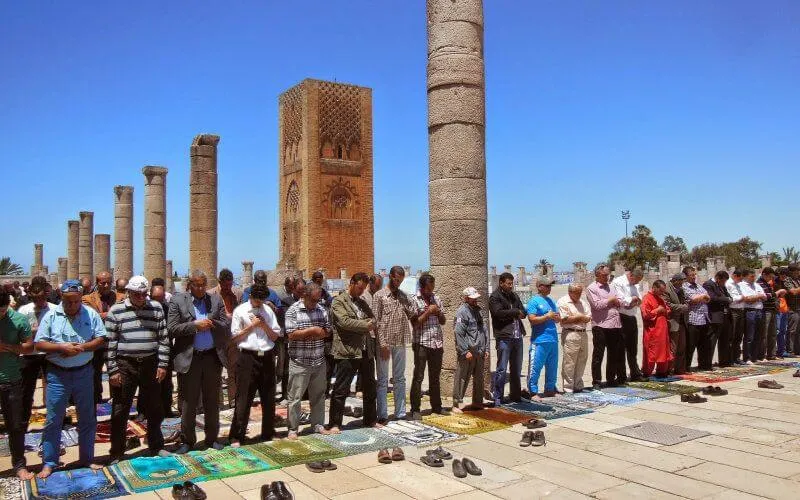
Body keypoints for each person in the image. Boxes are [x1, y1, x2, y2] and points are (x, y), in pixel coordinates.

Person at [34, 280, 107, 478]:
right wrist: (61, 348)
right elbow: (39, 344)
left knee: (87, 417)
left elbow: (101, 338)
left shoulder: (90, 314)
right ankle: (49, 461)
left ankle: (87, 458)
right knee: (53, 419)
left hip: (84, 372)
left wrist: (82, 348)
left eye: (76, 301)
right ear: (61, 298)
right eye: (68, 302)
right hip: (58, 374)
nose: (72, 305)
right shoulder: (51, 315)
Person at [104, 276, 170, 463]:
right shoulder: (116, 311)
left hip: (150, 363)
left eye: (143, 294)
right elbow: (110, 343)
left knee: (155, 407)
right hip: (125, 364)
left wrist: (163, 364)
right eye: (136, 294)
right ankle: (117, 451)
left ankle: (156, 445)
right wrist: (113, 370)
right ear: (128, 293)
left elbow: (163, 338)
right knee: (120, 408)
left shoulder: (156, 308)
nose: (141, 298)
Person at [167, 271, 229, 454]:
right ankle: (187, 440)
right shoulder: (178, 301)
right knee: (189, 401)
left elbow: (225, 325)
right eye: (197, 285)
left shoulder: (215, 300)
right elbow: (172, 328)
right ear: (190, 284)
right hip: (190, 358)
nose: (201, 288)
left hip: (211, 357)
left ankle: (212, 438)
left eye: (203, 285)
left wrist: (212, 323)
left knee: (212, 400)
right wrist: (194, 326)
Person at [228, 283, 281, 446]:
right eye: (257, 299)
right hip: (248, 357)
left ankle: (268, 432)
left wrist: (263, 325)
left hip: (266, 356)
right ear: (250, 296)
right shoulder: (240, 311)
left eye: (262, 300)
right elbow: (234, 338)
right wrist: (251, 327)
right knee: (244, 397)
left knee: (268, 396)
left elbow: (275, 336)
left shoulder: (268, 311)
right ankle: (237, 435)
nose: (259, 303)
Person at [328, 273, 378, 432]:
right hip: (348, 350)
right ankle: (335, 423)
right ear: (352, 283)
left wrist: (368, 323)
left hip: (365, 350)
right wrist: (364, 325)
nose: (361, 291)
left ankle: (370, 420)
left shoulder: (362, 302)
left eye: (363, 289)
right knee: (341, 389)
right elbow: (344, 322)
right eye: (359, 288)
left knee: (370, 387)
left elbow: (373, 319)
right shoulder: (338, 301)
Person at [284, 283, 333, 439]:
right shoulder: (293, 311)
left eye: (318, 300)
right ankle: (293, 428)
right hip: (300, 361)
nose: (315, 303)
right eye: (313, 300)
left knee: (318, 395)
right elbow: (291, 334)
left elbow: (327, 331)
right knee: (295, 397)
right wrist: (312, 330)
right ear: (304, 296)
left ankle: (318, 424)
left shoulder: (321, 310)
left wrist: (312, 333)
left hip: (318, 360)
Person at [374, 266, 417, 422]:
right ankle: (382, 414)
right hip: (385, 343)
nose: (398, 283)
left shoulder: (403, 296)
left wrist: (408, 302)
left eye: (401, 280)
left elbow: (413, 313)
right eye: (396, 279)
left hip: (400, 341)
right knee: (382, 380)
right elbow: (376, 321)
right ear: (390, 276)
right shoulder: (379, 296)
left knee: (399, 378)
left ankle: (400, 413)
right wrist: (382, 344)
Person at [0, 291, 35, 479]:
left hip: (11, 379)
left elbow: (29, 347)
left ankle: (19, 465)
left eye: (2, 311)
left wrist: (6, 347)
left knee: (15, 425)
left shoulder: (19, 320)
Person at [17, 280, 56, 430]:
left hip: (48, 353)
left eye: (41, 298)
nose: (39, 301)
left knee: (53, 388)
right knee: (26, 390)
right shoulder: (24, 310)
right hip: (29, 354)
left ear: (46, 295)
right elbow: (20, 332)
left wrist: (35, 332)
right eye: (35, 299)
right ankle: (22, 423)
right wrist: (35, 332)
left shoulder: (54, 309)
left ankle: (54, 421)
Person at [409, 274, 447, 419]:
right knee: (418, 377)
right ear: (422, 287)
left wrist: (438, 312)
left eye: (432, 288)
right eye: (428, 289)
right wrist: (428, 312)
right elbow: (415, 323)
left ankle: (437, 407)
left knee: (435, 377)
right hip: (421, 343)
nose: (431, 291)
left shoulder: (436, 299)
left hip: (436, 343)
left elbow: (443, 321)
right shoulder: (414, 300)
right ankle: (415, 409)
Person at [488, 272, 527, 405]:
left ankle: (515, 395)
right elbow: (498, 313)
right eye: (508, 284)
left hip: (517, 336)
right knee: (502, 369)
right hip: (504, 337)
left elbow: (524, 312)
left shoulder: (514, 296)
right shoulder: (495, 297)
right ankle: (498, 397)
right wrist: (515, 312)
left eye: (512, 283)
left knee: (516, 368)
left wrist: (518, 312)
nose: (511, 286)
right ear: (501, 283)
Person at [208, 268, 243, 407]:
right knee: (216, 371)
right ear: (220, 282)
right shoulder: (210, 294)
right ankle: (218, 402)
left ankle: (233, 399)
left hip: (233, 338)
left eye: (230, 284)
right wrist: (224, 317)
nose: (228, 288)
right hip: (216, 338)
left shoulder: (237, 294)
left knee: (234, 370)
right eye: (225, 285)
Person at [586, 264, 625, 388]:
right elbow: (596, 305)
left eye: (608, 275)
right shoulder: (591, 288)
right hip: (600, 325)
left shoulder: (612, 286)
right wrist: (610, 301)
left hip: (615, 324)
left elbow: (620, 301)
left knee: (613, 353)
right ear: (597, 275)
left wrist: (615, 301)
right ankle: (596, 381)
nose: (607, 277)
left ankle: (611, 379)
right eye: (604, 275)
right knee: (599, 354)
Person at [82, 271, 116, 404]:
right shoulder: (87, 298)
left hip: (113, 342)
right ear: (97, 283)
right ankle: (96, 398)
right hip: (95, 342)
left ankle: (116, 398)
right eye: (103, 283)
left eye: (108, 282)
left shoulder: (119, 297)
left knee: (115, 372)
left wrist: (102, 315)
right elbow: (92, 316)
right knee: (95, 373)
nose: (106, 285)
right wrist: (111, 314)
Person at [453, 287, 488, 412]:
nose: (475, 301)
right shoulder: (462, 312)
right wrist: (464, 351)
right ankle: (456, 403)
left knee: (479, 378)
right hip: (468, 351)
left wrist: (486, 348)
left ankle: (477, 402)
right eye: (472, 299)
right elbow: (458, 333)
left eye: (476, 298)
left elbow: (484, 331)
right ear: (466, 298)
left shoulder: (478, 311)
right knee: (462, 377)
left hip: (479, 350)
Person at [526, 277, 560, 399]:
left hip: (553, 338)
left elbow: (557, 317)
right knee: (536, 367)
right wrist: (547, 316)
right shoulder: (534, 301)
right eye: (547, 286)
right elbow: (532, 319)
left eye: (550, 286)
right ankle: (533, 391)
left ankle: (550, 389)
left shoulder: (551, 301)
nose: (549, 288)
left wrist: (557, 318)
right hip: (539, 340)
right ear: (540, 287)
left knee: (552, 366)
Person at [556, 283, 591, 393]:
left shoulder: (582, 302)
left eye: (580, 292)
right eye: (577, 293)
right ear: (570, 292)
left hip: (583, 333)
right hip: (570, 333)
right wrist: (580, 317)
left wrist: (577, 317)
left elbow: (588, 318)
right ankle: (568, 388)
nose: (579, 295)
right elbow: (564, 319)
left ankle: (578, 385)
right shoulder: (563, 301)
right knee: (569, 362)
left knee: (582, 359)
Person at [611, 268, 645, 382]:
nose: (637, 283)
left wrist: (634, 301)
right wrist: (632, 299)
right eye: (636, 280)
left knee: (633, 348)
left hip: (632, 317)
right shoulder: (618, 282)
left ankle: (635, 373)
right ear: (631, 275)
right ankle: (621, 376)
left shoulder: (635, 285)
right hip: (621, 317)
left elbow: (639, 300)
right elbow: (622, 301)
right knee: (620, 348)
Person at [275, 277, 302, 402]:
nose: (301, 294)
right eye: (299, 291)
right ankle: (285, 394)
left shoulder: (308, 302)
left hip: (303, 341)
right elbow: (285, 320)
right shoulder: (286, 302)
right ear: (293, 289)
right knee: (287, 368)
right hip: (289, 340)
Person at [150, 285, 175, 417]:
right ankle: (145, 410)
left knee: (167, 382)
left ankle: (167, 409)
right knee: (148, 383)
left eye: (161, 299)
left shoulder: (168, 309)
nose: (158, 302)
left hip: (166, 348)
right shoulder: (146, 308)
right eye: (156, 299)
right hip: (149, 350)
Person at [640, 280, 673, 378]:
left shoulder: (660, 298)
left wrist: (664, 310)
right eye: (660, 290)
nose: (662, 293)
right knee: (651, 352)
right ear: (654, 287)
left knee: (663, 351)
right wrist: (657, 310)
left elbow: (667, 309)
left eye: (663, 291)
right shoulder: (646, 298)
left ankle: (662, 371)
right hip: (652, 330)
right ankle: (647, 372)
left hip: (662, 330)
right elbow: (646, 315)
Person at [681, 266, 711, 371]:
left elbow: (708, 297)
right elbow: (692, 299)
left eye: (695, 275)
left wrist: (701, 297)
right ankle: (686, 366)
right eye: (691, 275)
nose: (694, 277)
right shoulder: (684, 287)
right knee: (690, 345)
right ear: (685, 276)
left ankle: (703, 365)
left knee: (703, 345)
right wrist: (702, 297)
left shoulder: (698, 286)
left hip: (704, 319)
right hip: (693, 320)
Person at [703, 271, 732, 368]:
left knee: (725, 340)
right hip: (715, 316)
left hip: (725, 315)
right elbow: (712, 298)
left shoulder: (722, 286)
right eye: (723, 281)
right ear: (718, 278)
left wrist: (727, 298)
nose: (724, 283)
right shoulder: (708, 284)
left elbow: (729, 296)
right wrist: (726, 299)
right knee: (712, 341)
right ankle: (707, 364)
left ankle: (724, 362)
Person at [739, 269, 767, 364]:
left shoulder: (756, 285)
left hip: (759, 311)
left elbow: (765, 297)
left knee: (758, 335)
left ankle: (755, 356)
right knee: (749, 336)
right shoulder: (742, 285)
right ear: (745, 276)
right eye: (751, 276)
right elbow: (747, 299)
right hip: (750, 311)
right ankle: (747, 357)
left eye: (754, 276)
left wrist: (756, 297)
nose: (753, 278)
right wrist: (758, 296)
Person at [664, 273, 688, 374]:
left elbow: (685, 301)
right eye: (681, 282)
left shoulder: (681, 290)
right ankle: (669, 369)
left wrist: (685, 305)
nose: (682, 284)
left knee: (682, 347)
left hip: (682, 321)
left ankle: (679, 369)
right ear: (675, 281)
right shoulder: (666, 289)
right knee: (673, 347)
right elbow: (667, 304)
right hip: (673, 321)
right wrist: (682, 307)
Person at [757, 267, 781, 360]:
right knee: (764, 334)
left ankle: (771, 354)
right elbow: (764, 297)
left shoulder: (767, 283)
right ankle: (762, 355)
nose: (771, 279)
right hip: (765, 311)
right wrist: (776, 293)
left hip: (772, 310)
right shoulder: (759, 283)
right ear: (764, 274)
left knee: (773, 334)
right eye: (769, 276)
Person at [725, 269, 747, 364]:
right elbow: (730, 299)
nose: (741, 281)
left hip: (741, 310)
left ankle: (736, 357)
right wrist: (741, 298)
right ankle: (730, 358)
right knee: (732, 335)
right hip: (733, 311)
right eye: (740, 278)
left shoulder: (737, 284)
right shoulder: (728, 284)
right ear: (735, 276)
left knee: (739, 336)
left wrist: (743, 298)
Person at [783, 265, 800, 356]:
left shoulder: (798, 280)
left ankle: (797, 350)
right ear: (791, 272)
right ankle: (790, 350)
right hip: (792, 308)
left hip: (798, 308)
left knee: (798, 330)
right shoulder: (787, 280)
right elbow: (793, 291)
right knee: (792, 330)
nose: (798, 273)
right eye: (796, 271)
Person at [775, 267, 791, 357]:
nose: (784, 277)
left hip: (784, 309)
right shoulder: (773, 282)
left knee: (783, 331)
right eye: (782, 275)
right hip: (777, 310)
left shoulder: (785, 282)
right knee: (777, 331)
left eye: (785, 275)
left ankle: (781, 350)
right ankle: (774, 351)